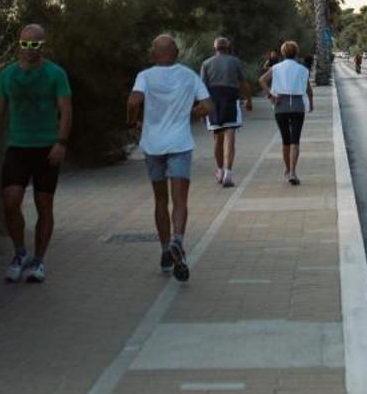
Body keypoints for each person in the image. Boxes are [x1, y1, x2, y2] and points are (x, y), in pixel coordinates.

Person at [0, 23, 72, 285]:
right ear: (19, 44)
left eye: (34, 45)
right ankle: (19, 252)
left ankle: (38, 261)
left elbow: (66, 109)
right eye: (25, 44)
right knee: (11, 201)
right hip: (18, 146)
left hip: (47, 148)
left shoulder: (55, 74)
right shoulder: (7, 75)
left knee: (43, 204)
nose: (29, 50)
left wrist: (60, 142)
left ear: (43, 45)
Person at [126, 33, 212, 280]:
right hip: (180, 143)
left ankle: (165, 250)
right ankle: (178, 240)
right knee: (180, 199)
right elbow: (208, 106)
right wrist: (187, 114)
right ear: (176, 53)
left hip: (152, 145)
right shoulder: (188, 75)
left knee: (160, 199)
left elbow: (133, 102)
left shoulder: (145, 76)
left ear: (154, 54)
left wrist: (132, 122)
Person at [260, 40, 314, 186]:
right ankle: (293, 172)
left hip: (281, 105)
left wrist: (270, 96)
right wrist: (311, 103)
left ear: (283, 53)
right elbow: (308, 89)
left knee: (286, 140)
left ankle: (287, 169)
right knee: (295, 140)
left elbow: (262, 80)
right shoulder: (303, 69)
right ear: (296, 52)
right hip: (297, 105)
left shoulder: (276, 68)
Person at [201, 35, 252, 186]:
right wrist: (249, 99)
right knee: (230, 137)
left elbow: (202, 87)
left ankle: (219, 170)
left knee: (217, 138)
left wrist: (203, 108)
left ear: (215, 48)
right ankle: (228, 173)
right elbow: (243, 82)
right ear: (228, 48)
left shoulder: (206, 63)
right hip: (231, 99)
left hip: (214, 101)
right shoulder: (235, 62)